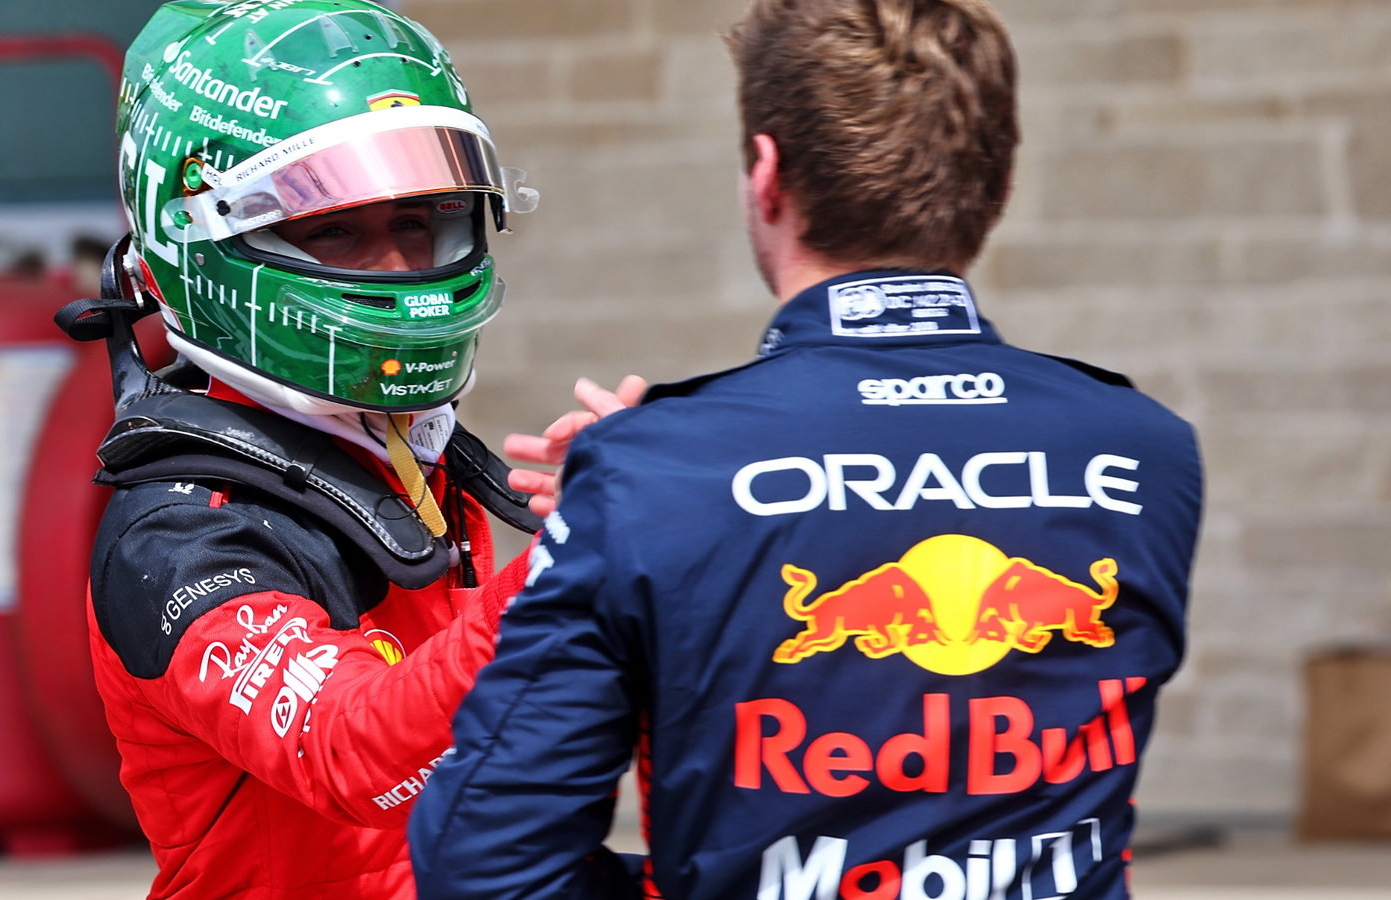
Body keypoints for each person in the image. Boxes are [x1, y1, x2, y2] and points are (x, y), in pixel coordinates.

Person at [407, 1, 1204, 898]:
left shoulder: (656, 472)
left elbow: (487, 867)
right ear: (999, 185)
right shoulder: (1147, 451)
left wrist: (644, 502)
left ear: (766, 174)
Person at [57, 1, 547, 897]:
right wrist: (574, 562)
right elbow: (351, 751)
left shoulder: (405, 457)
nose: (402, 270)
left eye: (420, 223)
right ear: (200, 249)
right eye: (337, 233)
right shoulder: (175, 543)